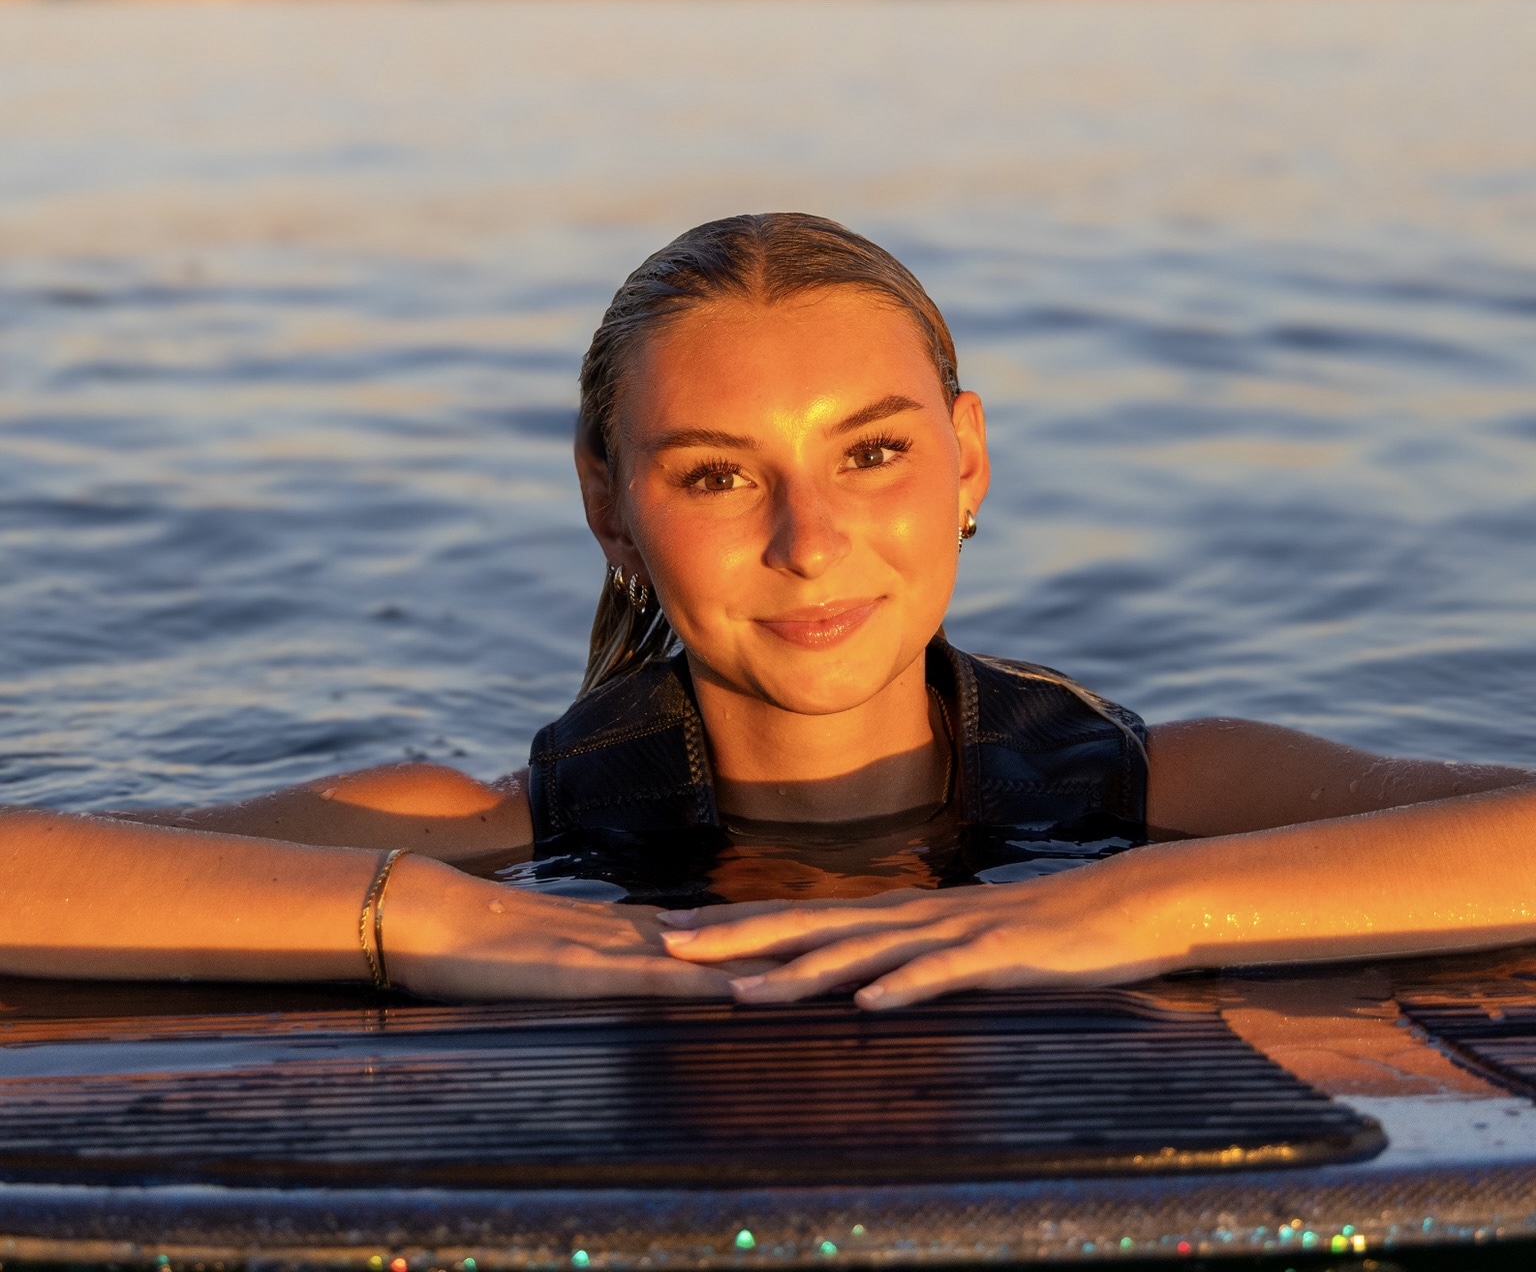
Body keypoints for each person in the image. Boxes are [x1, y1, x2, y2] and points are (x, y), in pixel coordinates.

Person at [4, 212, 1534, 1008]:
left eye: (871, 452)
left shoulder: (1160, 793)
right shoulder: (498, 831)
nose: (813, 542)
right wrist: (435, 917)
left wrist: (1147, 903)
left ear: (969, 458)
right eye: (719, 475)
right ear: (611, 507)